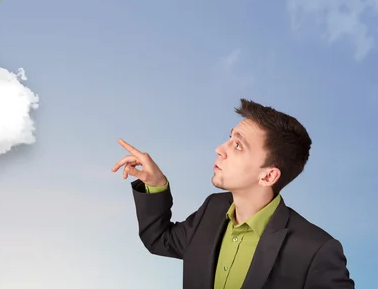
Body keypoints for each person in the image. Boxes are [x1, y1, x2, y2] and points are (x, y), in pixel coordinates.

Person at [112, 99, 354, 289]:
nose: (220, 149)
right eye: (230, 138)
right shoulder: (212, 210)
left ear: (268, 176)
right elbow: (159, 239)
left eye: (238, 145)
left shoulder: (316, 251)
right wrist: (156, 183)